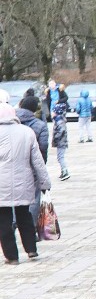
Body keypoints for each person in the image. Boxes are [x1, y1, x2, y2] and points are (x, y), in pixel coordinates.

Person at [0, 103, 51, 264]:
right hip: (24, 182)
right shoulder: (27, 132)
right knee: (24, 215)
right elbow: (38, 161)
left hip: (1, 185)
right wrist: (44, 182)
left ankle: (12, 256)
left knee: (4, 220)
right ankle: (31, 249)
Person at [51, 97, 70, 181]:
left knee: (60, 157)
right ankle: (63, 171)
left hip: (61, 142)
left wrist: (56, 137)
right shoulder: (58, 120)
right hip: (61, 142)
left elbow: (61, 130)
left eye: (53, 111)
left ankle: (65, 171)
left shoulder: (59, 121)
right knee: (59, 157)